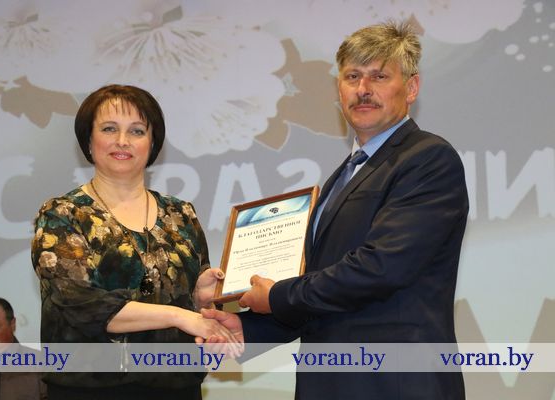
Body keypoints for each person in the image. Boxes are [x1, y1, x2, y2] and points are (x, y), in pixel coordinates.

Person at [202, 20, 469, 399]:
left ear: (411, 88)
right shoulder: (343, 176)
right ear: (339, 88)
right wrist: (250, 330)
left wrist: (277, 297)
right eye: (352, 76)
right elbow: (323, 289)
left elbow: (381, 268)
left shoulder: (427, 158)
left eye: (379, 76)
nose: (363, 89)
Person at [31, 84, 241, 399]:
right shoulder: (63, 214)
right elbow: (82, 304)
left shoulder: (181, 214)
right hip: (91, 390)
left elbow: (193, 306)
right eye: (109, 128)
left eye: (137, 131)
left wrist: (199, 299)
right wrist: (180, 316)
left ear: (152, 143)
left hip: (178, 386)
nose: (122, 141)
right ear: (88, 140)